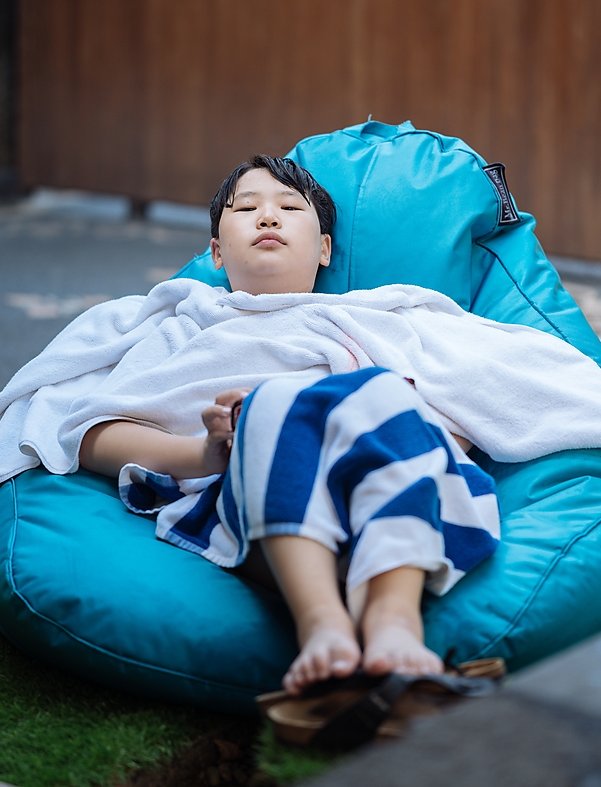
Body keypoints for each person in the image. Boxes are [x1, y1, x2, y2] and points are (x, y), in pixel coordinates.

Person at [77, 157, 497, 695]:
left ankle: (395, 622)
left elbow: (474, 401)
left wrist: (408, 425)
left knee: (386, 390)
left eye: (289, 208)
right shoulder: (183, 328)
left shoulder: (378, 321)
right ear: (216, 252)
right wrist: (204, 454)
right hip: (260, 506)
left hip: (387, 499)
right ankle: (322, 624)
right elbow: (94, 432)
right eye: (247, 209)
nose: (268, 217)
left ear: (324, 249)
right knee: (274, 401)